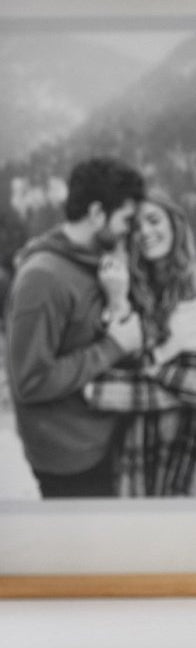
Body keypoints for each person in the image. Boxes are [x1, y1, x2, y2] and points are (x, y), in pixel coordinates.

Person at [6, 158, 145, 498]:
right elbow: (30, 381)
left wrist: (118, 300)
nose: (129, 230)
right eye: (126, 219)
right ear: (97, 213)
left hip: (101, 436)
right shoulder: (42, 279)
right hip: (71, 460)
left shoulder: (94, 261)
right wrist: (113, 345)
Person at [85, 190, 196, 496]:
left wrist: (139, 374)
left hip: (187, 437)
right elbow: (108, 365)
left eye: (154, 220)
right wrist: (118, 301)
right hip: (138, 437)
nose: (145, 232)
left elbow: (101, 390)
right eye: (136, 226)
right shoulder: (126, 286)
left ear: (175, 224)